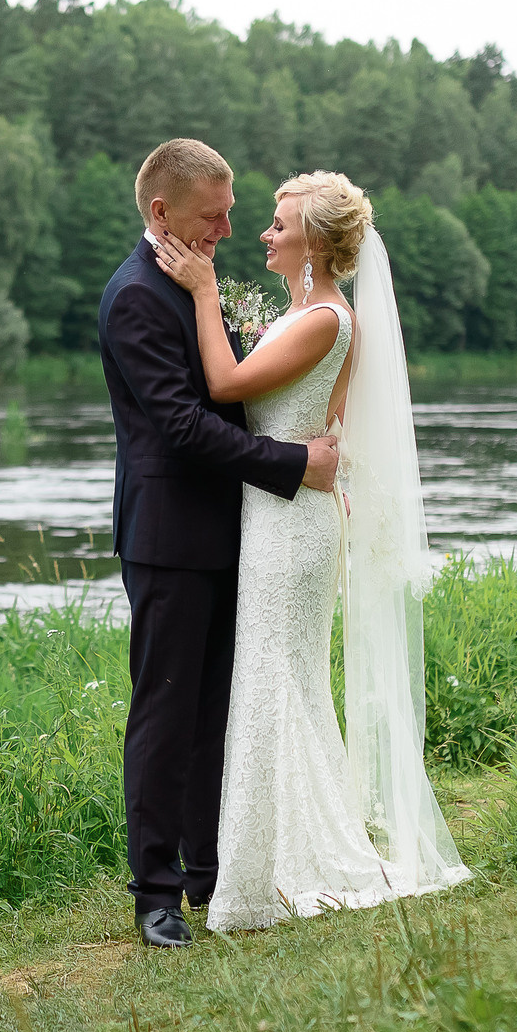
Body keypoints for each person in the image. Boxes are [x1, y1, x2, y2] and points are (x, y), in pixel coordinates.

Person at [150, 170, 471, 930]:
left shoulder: (327, 318)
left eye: (278, 223)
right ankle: (271, 859)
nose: (264, 232)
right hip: (280, 510)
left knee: (275, 676)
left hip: (290, 525)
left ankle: (275, 869)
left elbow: (226, 383)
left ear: (315, 244)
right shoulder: (306, 313)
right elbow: (316, 416)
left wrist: (201, 292)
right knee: (279, 680)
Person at [98, 139, 341, 949]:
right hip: (169, 537)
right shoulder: (135, 296)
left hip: (237, 530)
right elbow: (180, 424)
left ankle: (210, 871)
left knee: (215, 712)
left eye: (235, 212)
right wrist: (292, 462)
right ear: (161, 213)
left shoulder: (190, 282)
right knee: (165, 712)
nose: (229, 229)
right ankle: (156, 893)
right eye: (214, 215)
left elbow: (234, 386)